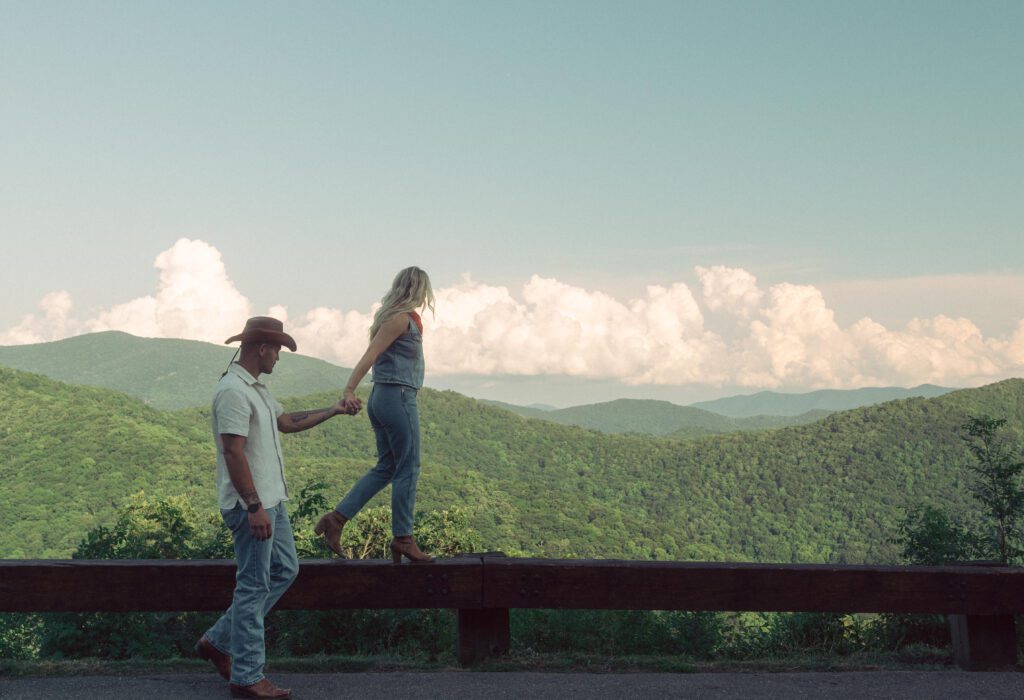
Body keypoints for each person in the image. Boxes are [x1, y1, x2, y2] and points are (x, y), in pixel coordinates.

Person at [195, 316, 358, 700]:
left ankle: (218, 641)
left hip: (272, 501)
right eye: (278, 350)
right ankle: (248, 677)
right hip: (253, 505)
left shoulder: (258, 391)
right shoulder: (233, 391)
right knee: (253, 587)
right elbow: (232, 451)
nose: (279, 358)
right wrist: (253, 506)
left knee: (286, 568)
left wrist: (333, 410)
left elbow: (286, 422)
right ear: (262, 348)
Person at [314, 266, 435, 564]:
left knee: (387, 467)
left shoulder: (395, 318)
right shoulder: (400, 320)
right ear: (418, 289)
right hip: (399, 397)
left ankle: (337, 519)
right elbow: (370, 355)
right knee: (409, 468)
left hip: (382, 397)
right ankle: (404, 538)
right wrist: (348, 389)